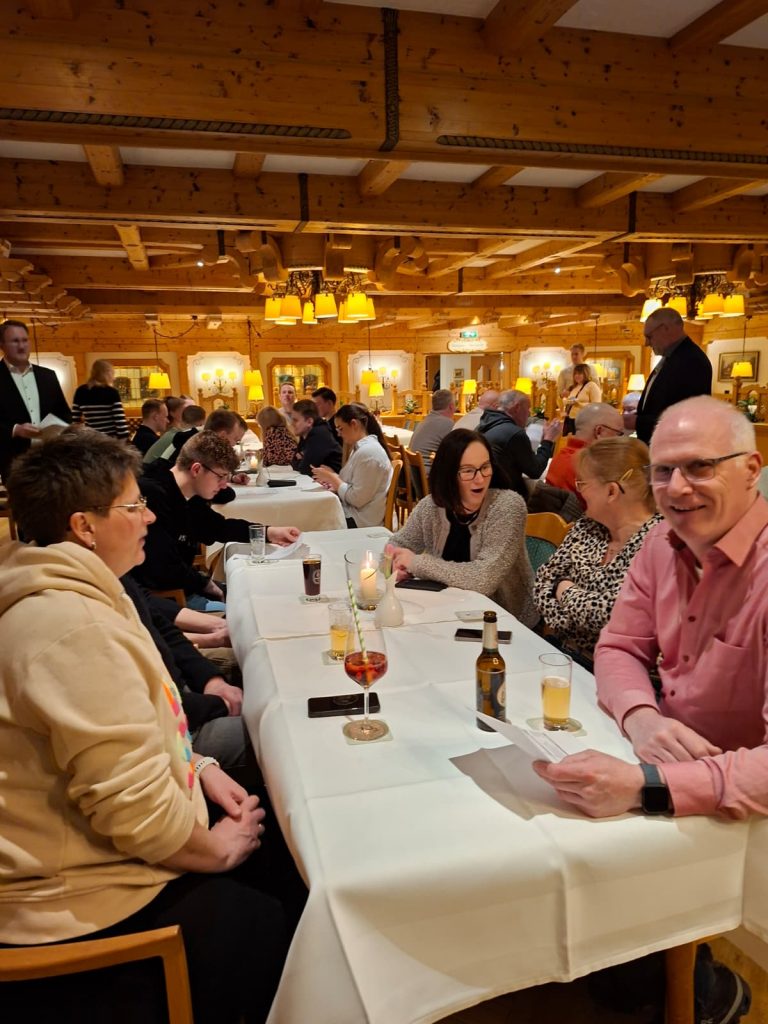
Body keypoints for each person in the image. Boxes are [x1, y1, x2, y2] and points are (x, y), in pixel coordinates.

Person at [1, 430, 293, 1024]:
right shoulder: (71, 626)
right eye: (134, 505)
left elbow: (132, 728)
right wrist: (216, 850)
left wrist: (199, 764)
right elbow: (132, 810)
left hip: (89, 857)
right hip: (72, 901)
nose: (151, 516)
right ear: (84, 526)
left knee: (280, 843)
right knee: (280, 914)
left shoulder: (80, 592)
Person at [534, 397, 766, 821]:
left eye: (700, 466)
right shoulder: (662, 543)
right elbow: (619, 646)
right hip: (659, 763)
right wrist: (641, 717)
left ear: (751, 470)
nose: (676, 488)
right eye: (662, 470)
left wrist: (650, 786)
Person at [387, 429, 538, 626]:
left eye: (485, 467)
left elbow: (483, 578)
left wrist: (416, 563)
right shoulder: (431, 506)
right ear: (448, 474)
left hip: (504, 621)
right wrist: (394, 563)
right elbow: (398, 543)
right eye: (468, 471)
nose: (480, 479)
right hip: (447, 611)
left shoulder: (507, 506)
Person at [136, 431, 300, 609]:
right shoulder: (153, 496)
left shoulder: (188, 494)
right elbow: (162, 566)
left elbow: (219, 527)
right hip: (164, 598)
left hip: (182, 585)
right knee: (250, 607)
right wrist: (205, 584)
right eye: (221, 476)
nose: (224, 485)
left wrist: (268, 532)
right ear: (196, 469)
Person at [534, 437, 660, 665]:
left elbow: (613, 615)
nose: (579, 491)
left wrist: (564, 590)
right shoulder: (588, 525)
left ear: (611, 491)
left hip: (622, 671)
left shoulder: (660, 542)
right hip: (563, 653)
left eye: (582, 483)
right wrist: (578, 620)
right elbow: (542, 583)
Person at [0, 318, 72, 482]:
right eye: (15, 341)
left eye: (25, 340)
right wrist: (15, 429)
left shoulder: (48, 375)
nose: (21, 346)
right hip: (13, 461)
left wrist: (62, 428)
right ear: (2, 345)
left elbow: (64, 413)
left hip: (51, 460)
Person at [632, 306, 712, 444]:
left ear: (665, 329)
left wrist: (638, 422)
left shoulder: (691, 361)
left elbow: (685, 417)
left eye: (649, 336)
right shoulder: (672, 357)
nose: (646, 343)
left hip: (673, 447)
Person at [312, 403, 393, 528]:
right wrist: (332, 477)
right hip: (354, 513)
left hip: (361, 520)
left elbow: (357, 499)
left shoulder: (368, 453)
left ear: (354, 424)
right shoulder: (361, 448)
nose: (339, 434)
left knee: (312, 518)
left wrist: (332, 478)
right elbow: (353, 484)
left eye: (340, 429)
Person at [478, 389, 561, 498]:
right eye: (528, 409)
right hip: (506, 497)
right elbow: (535, 471)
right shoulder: (514, 433)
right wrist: (548, 440)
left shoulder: (484, 424)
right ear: (517, 407)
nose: (529, 414)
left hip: (484, 492)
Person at [546, 403, 625, 500]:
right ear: (599, 431)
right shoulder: (589, 467)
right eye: (618, 434)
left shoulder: (561, 456)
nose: (619, 440)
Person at [71, 360, 130, 440]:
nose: (114, 377)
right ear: (107, 373)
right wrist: (125, 440)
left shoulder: (81, 391)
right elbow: (119, 420)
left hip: (91, 439)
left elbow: (75, 420)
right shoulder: (111, 392)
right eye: (112, 373)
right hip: (110, 440)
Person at [408, 388, 456, 475]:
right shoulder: (448, 423)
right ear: (451, 406)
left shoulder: (424, 421)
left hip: (414, 475)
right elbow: (455, 453)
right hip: (428, 476)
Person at [290, 398, 342, 475]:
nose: (292, 424)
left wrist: (302, 459)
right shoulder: (305, 432)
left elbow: (305, 468)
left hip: (338, 478)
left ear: (309, 422)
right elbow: (294, 462)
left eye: (295, 420)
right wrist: (301, 460)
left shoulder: (320, 434)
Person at [143, 394, 195, 463]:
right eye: (184, 410)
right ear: (173, 413)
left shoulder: (174, 432)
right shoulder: (174, 434)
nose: (187, 413)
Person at [562, 363, 602, 435]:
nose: (577, 376)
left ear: (586, 374)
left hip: (584, 420)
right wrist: (566, 402)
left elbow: (596, 406)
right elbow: (570, 401)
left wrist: (579, 403)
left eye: (579, 373)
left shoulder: (592, 385)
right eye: (575, 374)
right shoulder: (574, 387)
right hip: (572, 419)